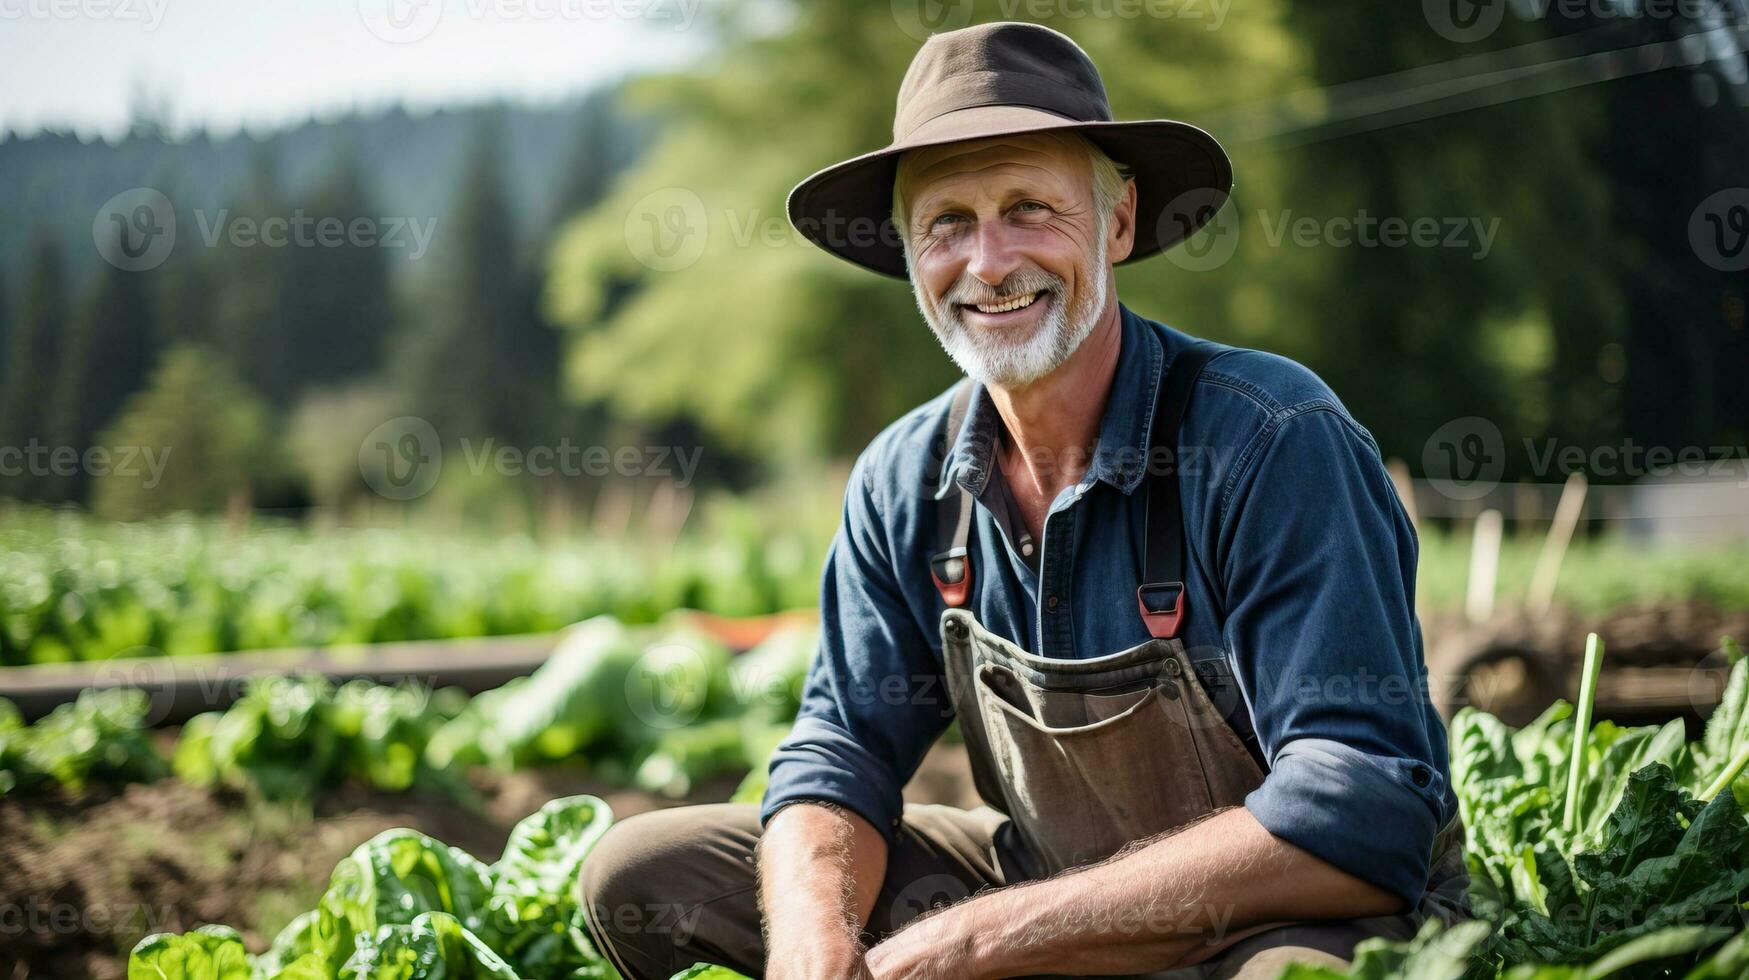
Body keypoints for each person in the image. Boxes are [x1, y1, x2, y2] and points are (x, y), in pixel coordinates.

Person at [578, 21, 1466, 980]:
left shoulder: (1267, 438)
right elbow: (840, 749)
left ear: (1117, 222)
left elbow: (1361, 810)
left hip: (1268, 914)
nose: (988, 262)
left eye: (1029, 208)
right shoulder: (900, 479)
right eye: (946, 223)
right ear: (910, 253)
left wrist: (980, 939)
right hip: (1043, 881)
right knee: (645, 872)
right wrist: (812, 950)